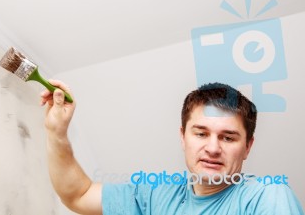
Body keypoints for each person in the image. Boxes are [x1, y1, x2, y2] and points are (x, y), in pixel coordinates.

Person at [40, 80, 304, 215]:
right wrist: (56, 133)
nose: (212, 148)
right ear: (183, 137)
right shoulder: (155, 195)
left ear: (247, 147)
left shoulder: (268, 196)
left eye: (228, 137)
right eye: (201, 133)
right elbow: (78, 195)